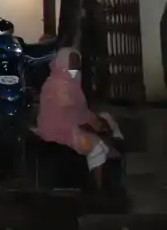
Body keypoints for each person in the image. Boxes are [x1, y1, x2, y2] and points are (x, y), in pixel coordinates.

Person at [35, 47, 123, 188]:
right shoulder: (60, 85)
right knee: (97, 146)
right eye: (72, 63)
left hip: (66, 125)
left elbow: (79, 110)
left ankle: (107, 160)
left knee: (104, 121)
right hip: (60, 131)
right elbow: (72, 112)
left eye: (77, 63)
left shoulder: (66, 82)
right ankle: (97, 185)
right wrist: (94, 123)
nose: (75, 67)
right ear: (63, 63)